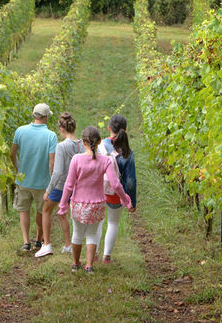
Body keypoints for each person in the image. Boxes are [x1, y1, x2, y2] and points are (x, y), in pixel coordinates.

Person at [57, 126, 131, 274]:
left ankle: (75, 263)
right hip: (97, 204)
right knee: (92, 233)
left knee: (77, 233)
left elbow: (69, 184)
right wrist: (125, 199)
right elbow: (115, 183)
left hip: (78, 203)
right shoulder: (106, 161)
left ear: (83, 142)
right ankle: (89, 266)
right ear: (99, 143)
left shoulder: (76, 159)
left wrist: (63, 204)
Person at [35, 113, 85, 258]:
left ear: (61, 129)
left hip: (61, 186)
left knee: (46, 210)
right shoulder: (82, 144)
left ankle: (47, 245)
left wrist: (48, 190)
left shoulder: (61, 146)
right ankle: (68, 244)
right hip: (76, 186)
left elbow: (57, 172)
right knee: (63, 214)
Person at [10, 103, 57, 252]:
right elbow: (52, 162)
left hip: (23, 180)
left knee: (24, 210)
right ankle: (38, 240)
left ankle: (25, 242)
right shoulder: (51, 135)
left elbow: (12, 153)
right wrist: (53, 181)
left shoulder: (20, 131)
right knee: (41, 211)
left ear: (33, 115)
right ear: (46, 117)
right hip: (42, 182)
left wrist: (18, 169)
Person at [97, 114, 137, 264]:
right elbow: (131, 181)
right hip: (116, 192)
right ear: (125, 130)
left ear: (109, 128)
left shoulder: (99, 146)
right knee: (113, 222)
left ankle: (93, 253)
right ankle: (106, 256)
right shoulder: (127, 152)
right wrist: (130, 200)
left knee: (98, 222)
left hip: (99, 190)